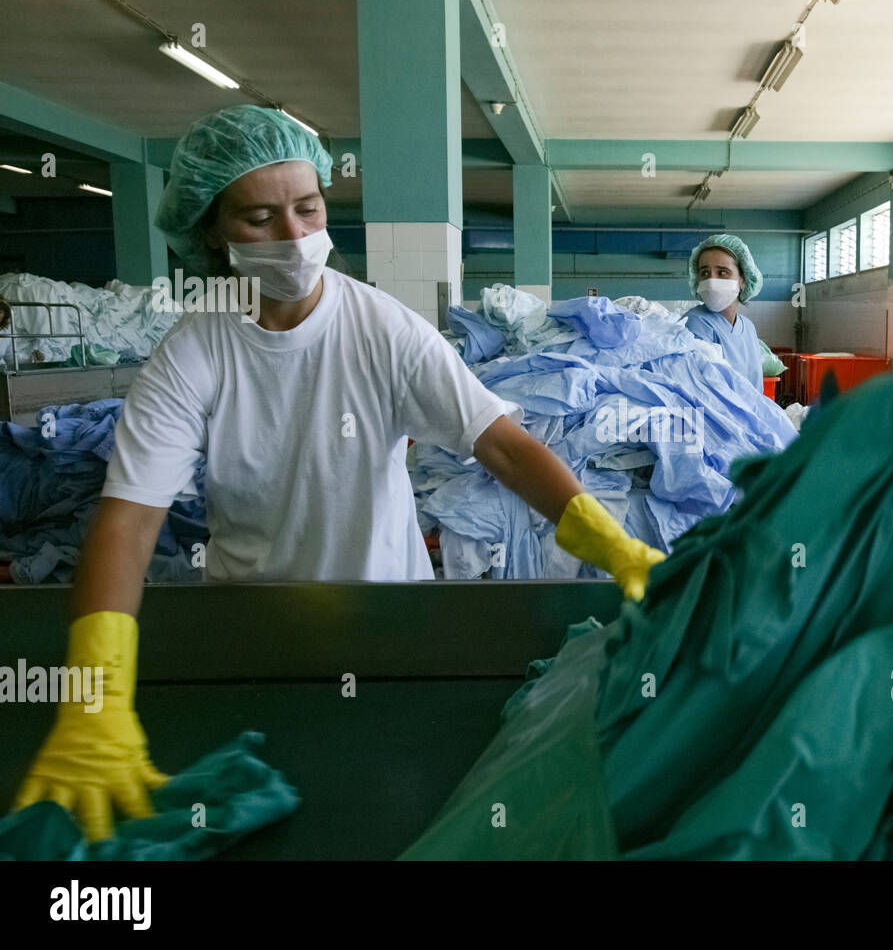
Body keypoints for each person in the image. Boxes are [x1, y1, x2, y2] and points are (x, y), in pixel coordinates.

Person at [10, 104, 664, 840]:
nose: (292, 237)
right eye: (259, 218)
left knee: (389, 815)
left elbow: (502, 445)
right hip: (251, 629)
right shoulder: (194, 355)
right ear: (212, 232)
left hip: (394, 623)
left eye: (307, 208)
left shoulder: (381, 329)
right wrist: (95, 691)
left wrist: (609, 543)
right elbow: (127, 521)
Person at [683, 234, 767, 392]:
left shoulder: (748, 327)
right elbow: (703, 391)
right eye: (705, 273)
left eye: (722, 273)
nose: (712, 281)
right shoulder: (695, 323)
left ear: (742, 279)